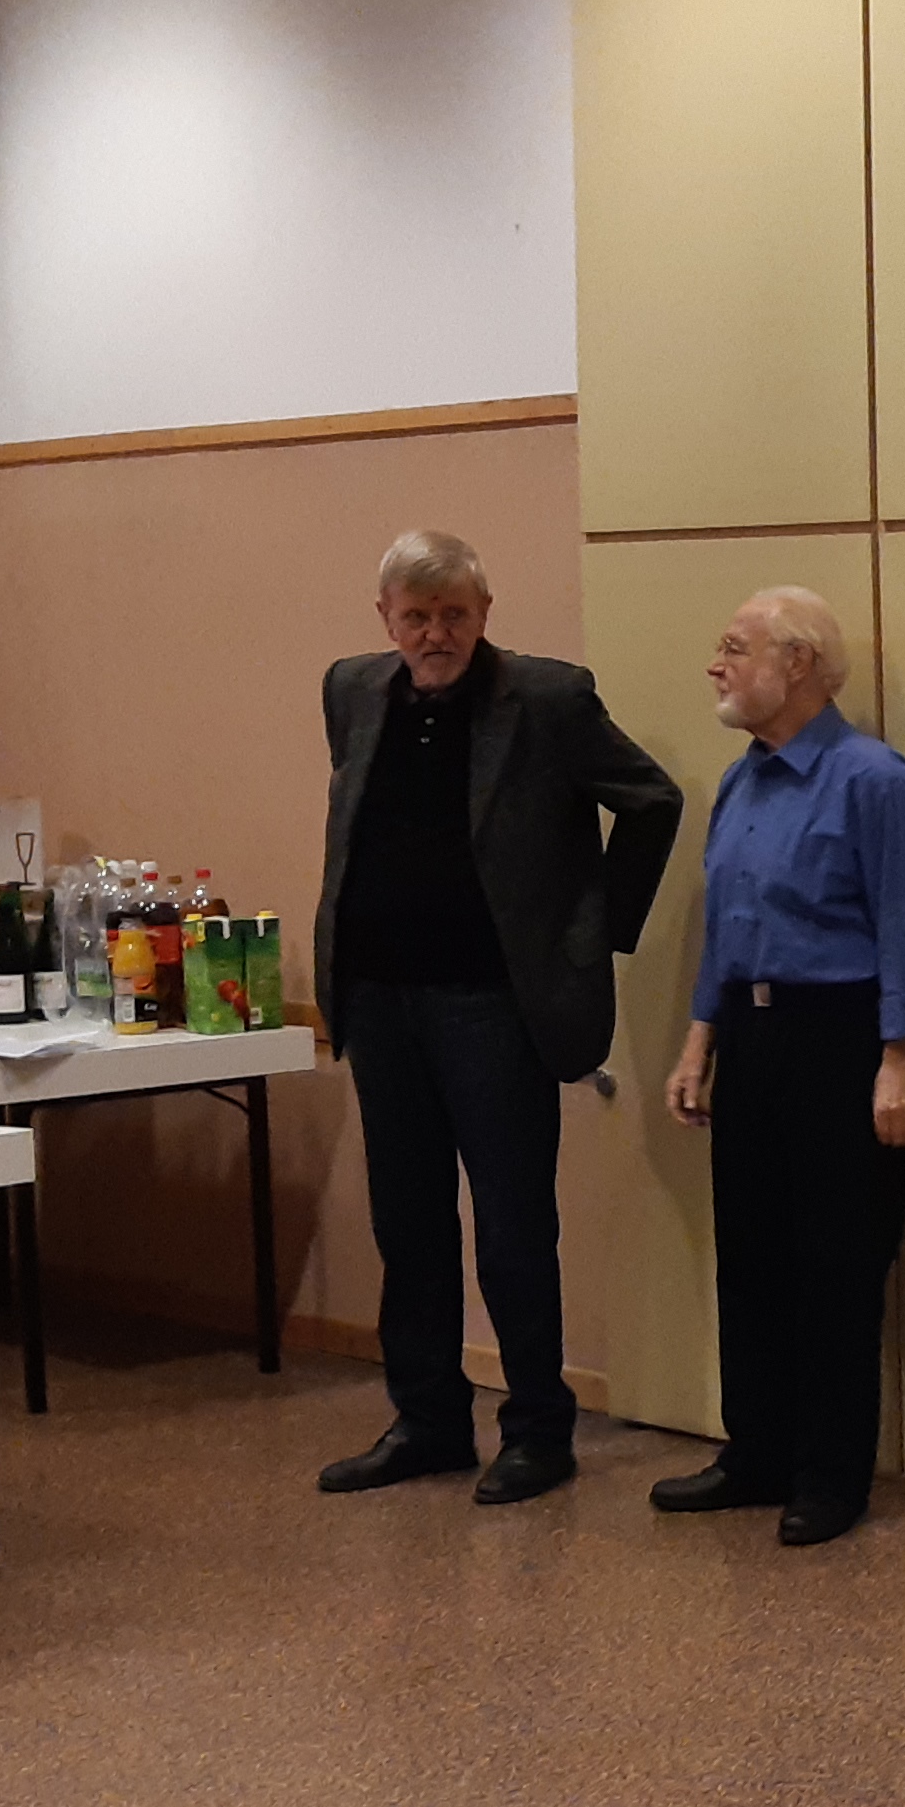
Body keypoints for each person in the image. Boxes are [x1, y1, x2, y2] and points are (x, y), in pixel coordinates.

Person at [312, 530, 684, 1506]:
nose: (435, 634)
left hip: (494, 1006)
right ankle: (428, 1420)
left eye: (454, 615)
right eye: (416, 617)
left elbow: (651, 800)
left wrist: (593, 930)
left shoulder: (548, 699)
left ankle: (538, 1431)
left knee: (514, 1225)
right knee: (409, 1224)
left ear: (485, 613)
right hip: (380, 1001)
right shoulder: (351, 689)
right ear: (386, 618)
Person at [659, 588, 905, 1549]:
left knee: (836, 1265)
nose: (717, 666)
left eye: (735, 648)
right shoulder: (740, 782)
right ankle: (757, 1454)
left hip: (840, 1039)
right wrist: (699, 1042)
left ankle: (830, 1477)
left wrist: (899, 1064)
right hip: (751, 1039)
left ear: (799, 664)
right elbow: (725, 928)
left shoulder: (875, 781)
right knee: (750, 1256)